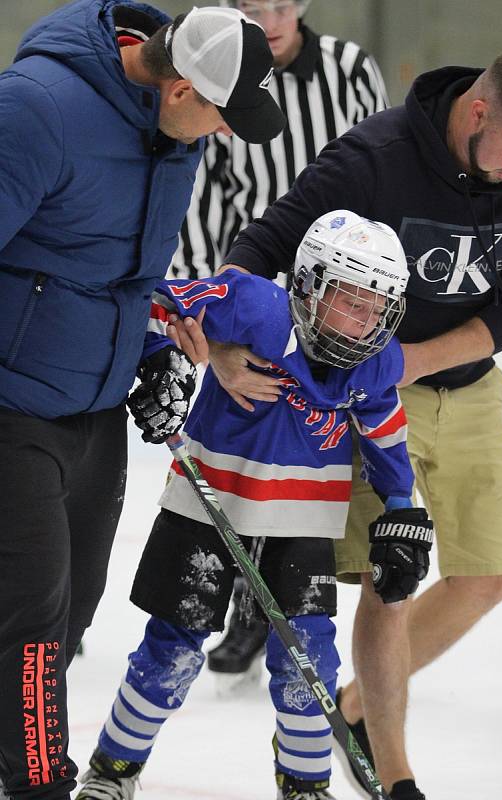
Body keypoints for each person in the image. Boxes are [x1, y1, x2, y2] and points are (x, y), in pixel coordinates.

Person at [204, 47, 502, 799]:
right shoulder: (372, 160)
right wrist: (224, 339)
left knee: (487, 577)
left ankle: (355, 708)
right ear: (478, 113)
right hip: (367, 399)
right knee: (393, 579)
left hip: (467, 384)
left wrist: (417, 358)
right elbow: (262, 243)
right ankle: (395, 776)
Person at [0, 3, 286, 799]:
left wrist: (154, 349)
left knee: (71, 615)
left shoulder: (171, 135)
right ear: (182, 88)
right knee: (29, 621)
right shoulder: (37, 110)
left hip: (90, 407)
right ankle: (37, 786)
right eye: (223, 116)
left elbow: (117, 270)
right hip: (10, 404)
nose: (226, 135)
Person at [75, 211, 433, 800]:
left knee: (307, 666)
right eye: (353, 301)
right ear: (313, 283)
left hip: (303, 519)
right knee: (172, 650)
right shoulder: (256, 306)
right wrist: (161, 356)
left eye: (379, 306)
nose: (367, 320)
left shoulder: (374, 360)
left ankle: (305, 782)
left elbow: (385, 428)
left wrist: (402, 508)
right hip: (209, 501)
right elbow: (154, 302)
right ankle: (113, 771)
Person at [171, 0, 389, 690]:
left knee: (312, 455)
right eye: (249, 4)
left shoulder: (351, 69)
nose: (266, 15)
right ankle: (245, 603)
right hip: (260, 291)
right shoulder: (227, 72)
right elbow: (213, 195)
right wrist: (214, 323)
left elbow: (383, 164)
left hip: (341, 300)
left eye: (277, 2)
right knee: (248, 451)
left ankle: (287, 604)